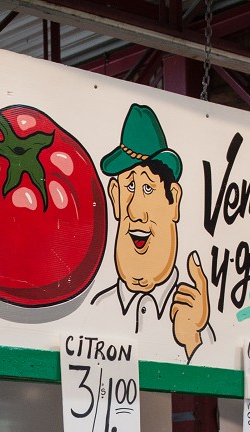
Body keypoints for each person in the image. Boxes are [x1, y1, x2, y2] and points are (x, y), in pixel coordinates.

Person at [90, 103, 213, 361]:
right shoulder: (96, 308)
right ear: (115, 197)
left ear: (174, 201)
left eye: (148, 189)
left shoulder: (192, 315)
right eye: (129, 187)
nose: (135, 211)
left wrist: (192, 338)